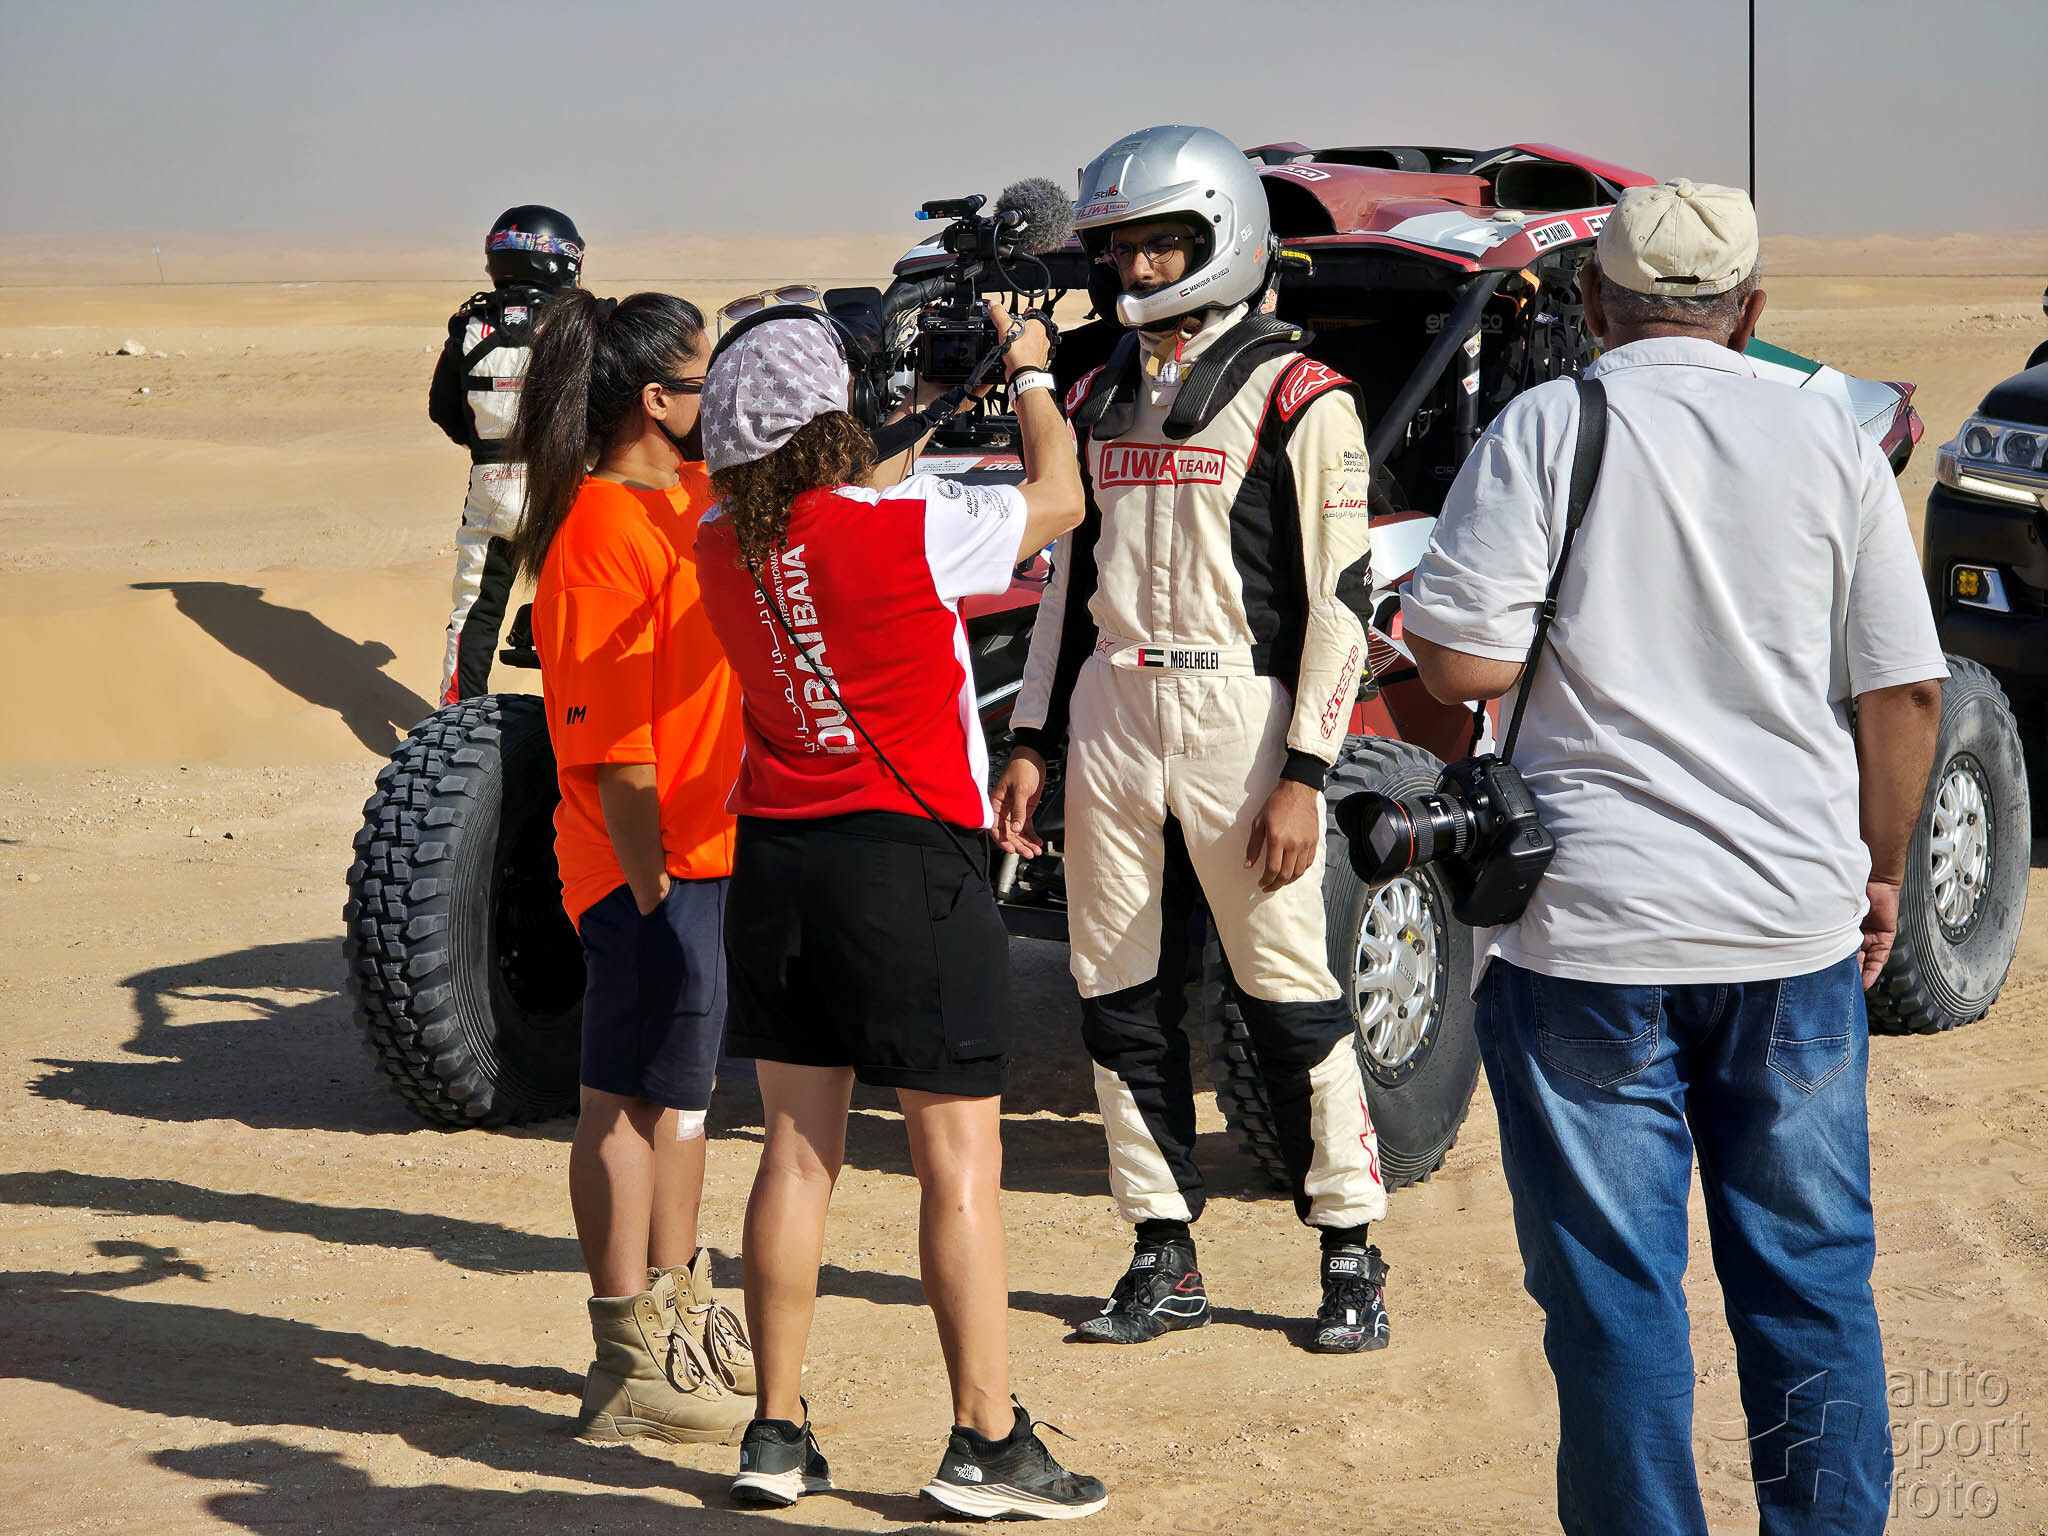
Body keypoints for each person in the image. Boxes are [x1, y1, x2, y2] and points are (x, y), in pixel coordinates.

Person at [1400, 180, 1946, 1535]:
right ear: (1749, 311)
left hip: (1587, 936)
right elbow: (1903, 693)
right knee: (1810, 1286)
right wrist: (1879, 872)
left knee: (1613, 1298)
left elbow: (1459, 669)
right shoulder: (1826, 437)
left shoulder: (1548, 426)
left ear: (1593, 303)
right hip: (1790, 931)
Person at [693, 302, 1107, 1520]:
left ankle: (775, 1431)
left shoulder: (719, 539)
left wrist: (908, 425)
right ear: (832, 420)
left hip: (777, 864)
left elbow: (835, 496)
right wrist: (1028, 376)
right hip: (906, 866)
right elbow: (1060, 498)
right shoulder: (907, 529)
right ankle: (985, 1437)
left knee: (794, 1152)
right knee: (956, 1161)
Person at [991, 124, 1392, 1354]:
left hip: (1240, 722)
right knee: (1113, 994)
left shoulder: (1302, 395)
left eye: (1162, 242)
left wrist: (1305, 774)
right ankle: (1160, 1252)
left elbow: (1341, 601)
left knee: (1286, 997)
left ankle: (1349, 1249)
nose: (1137, 266)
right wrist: (1030, 739)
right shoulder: (1095, 395)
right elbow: (1066, 586)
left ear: (1222, 234)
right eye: (1121, 246)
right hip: (1111, 712)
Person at [508, 286, 753, 1448]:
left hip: (711, 853)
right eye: (710, 373)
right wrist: (654, 897)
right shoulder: (595, 537)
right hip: (640, 864)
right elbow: (615, 756)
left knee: (685, 1103)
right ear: (656, 400)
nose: (724, 392)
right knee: (623, 1098)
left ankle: (677, 1306)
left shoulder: (696, 497)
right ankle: (621, 1360)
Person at [430, 204, 584, 705]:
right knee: (578, 601)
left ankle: (455, 716)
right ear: (561, 259)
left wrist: (488, 450)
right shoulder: (577, 323)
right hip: (565, 481)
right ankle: (580, 714)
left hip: (492, 483)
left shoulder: (468, 324)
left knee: (474, 608)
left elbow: (443, 411)